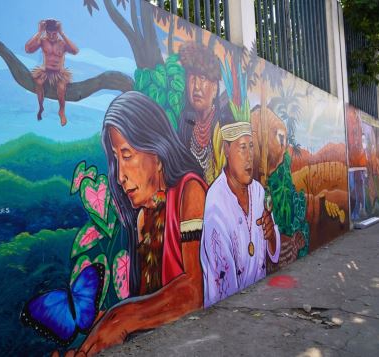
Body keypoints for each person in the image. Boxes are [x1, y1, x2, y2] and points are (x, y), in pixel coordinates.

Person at [76, 91, 208, 356]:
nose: (121, 175)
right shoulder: (142, 218)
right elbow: (149, 298)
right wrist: (109, 321)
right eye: (116, 159)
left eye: (127, 155)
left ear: (157, 154)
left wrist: (123, 317)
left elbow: (195, 291)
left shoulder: (189, 192)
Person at [201, 120, 281, 308]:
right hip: (228, 310)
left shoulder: (258, 192)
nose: (249, 156)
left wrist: (271, 237)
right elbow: (223, 281)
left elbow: (274, 252)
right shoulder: (216, 203)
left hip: (257, 301)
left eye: (251, 147)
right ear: (227, 150)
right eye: (242, 147)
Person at [178, 42, 223, 184]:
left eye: (202, 78)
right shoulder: (184, 124)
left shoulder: (223, 126)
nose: (196, 86)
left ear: (215, 88)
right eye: (192, 78)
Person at [25, 19, 78, 125]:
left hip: (59, 73)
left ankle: (61, 111)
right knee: (38, 83)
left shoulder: (62, 43)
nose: (51, 36)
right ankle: (40, 107)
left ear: (57, 32)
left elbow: (75, 51)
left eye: (54, 33)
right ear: (45, 32)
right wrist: (39, 32)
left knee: (61, 88)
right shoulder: (43, 41)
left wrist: (62, 33)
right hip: (45, 71)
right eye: (48, 33)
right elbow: (28, 49)